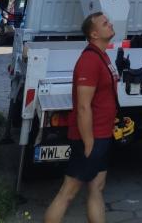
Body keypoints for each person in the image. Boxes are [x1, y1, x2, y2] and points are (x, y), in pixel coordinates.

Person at [45, 12, 118, 223]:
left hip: (101, 135)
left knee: (97, 188)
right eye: (105, 24)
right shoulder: (89, 61)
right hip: (90, 137)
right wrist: (88, 142)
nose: (110, 24)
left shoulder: (102, 55)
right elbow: (83, 107)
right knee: (68, 193)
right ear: (94, 34)